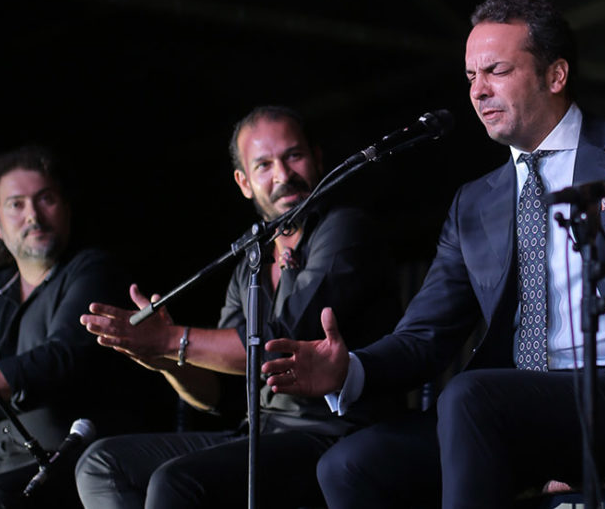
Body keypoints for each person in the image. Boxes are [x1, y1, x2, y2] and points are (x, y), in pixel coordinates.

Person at [259, 0, 605, 509]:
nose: (478, 91)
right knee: (350, 465)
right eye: (470, 75)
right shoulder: (475, 202)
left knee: (472, 397)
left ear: (556, 75)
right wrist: (350, 371)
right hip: (518, 405)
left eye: (496, 70)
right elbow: (425, 335)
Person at [74, 105, 400, 509]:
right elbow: (224, 388)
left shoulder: (345, 228)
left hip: (333, 432)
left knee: (176, 481)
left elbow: (273, 341)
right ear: (244, 182)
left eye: (293, 156)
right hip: (261, 430)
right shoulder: (254, 258)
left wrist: (170, 337)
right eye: (264, 165)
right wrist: (162, 357)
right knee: (101, 464)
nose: (283, 175)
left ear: (317, 158)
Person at [0, 145, 166, 508]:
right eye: (16, 204)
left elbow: (60, 360)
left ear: (66, 209)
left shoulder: (94, 270)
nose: (33, 215)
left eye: (46, 199)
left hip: (70, 458)